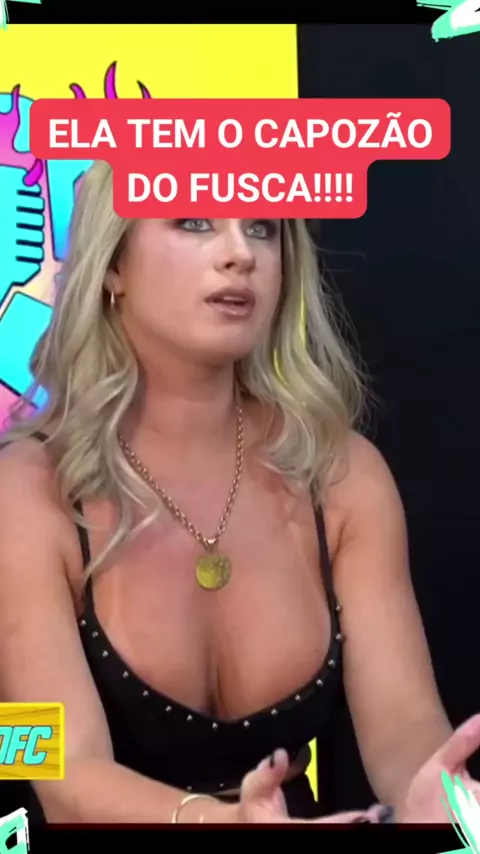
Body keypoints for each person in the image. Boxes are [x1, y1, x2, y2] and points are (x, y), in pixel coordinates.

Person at [0, 161, 479, 825]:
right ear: (113, 266)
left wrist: (439, 795)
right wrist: (227, 823)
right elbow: (58, 773)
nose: (240, 254)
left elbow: (405, 726)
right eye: (195, 222)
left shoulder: (343, 476)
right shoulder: (23, 494)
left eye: (262, 228)